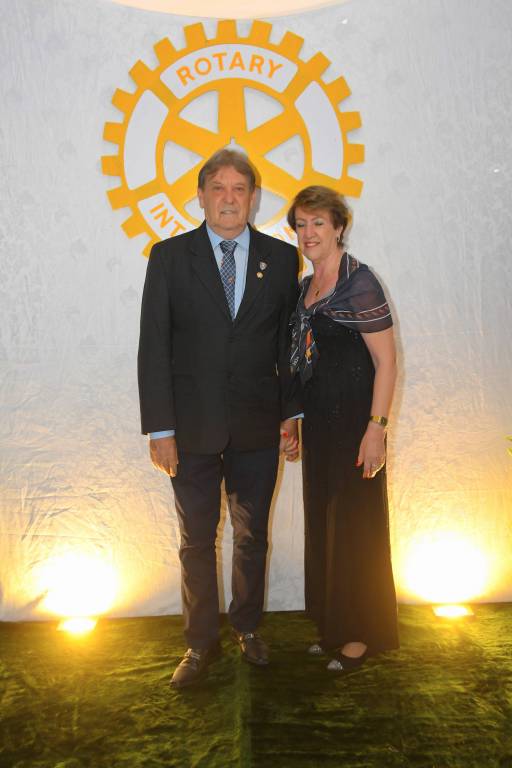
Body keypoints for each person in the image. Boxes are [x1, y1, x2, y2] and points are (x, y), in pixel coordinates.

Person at [138, 149, 301, 689]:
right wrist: (161, 429)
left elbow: (286, 346)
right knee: (196, 540)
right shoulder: (169, 257)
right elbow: (154, 347)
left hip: (258, 426)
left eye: (239, 189)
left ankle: (248, 627)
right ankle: (199, 642)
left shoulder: (282, 259)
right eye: (218, 188)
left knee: (252, 536)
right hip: (191, 430)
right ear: (201, 196)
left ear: (253, 197)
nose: (229, 198)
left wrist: (291, 414)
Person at [288, 186, 399, 672]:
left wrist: (376, 429)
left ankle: (360, 635)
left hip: (356, 424)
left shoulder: (361, 282)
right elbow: (302, 362)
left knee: (355, 525)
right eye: (301, 224)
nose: (309, 233)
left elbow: (387, 362)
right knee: (324, 521)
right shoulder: (305, 287)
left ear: (338, 227)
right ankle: (332, 625)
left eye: (318, 223)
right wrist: (293, 419)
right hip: (319, 425)